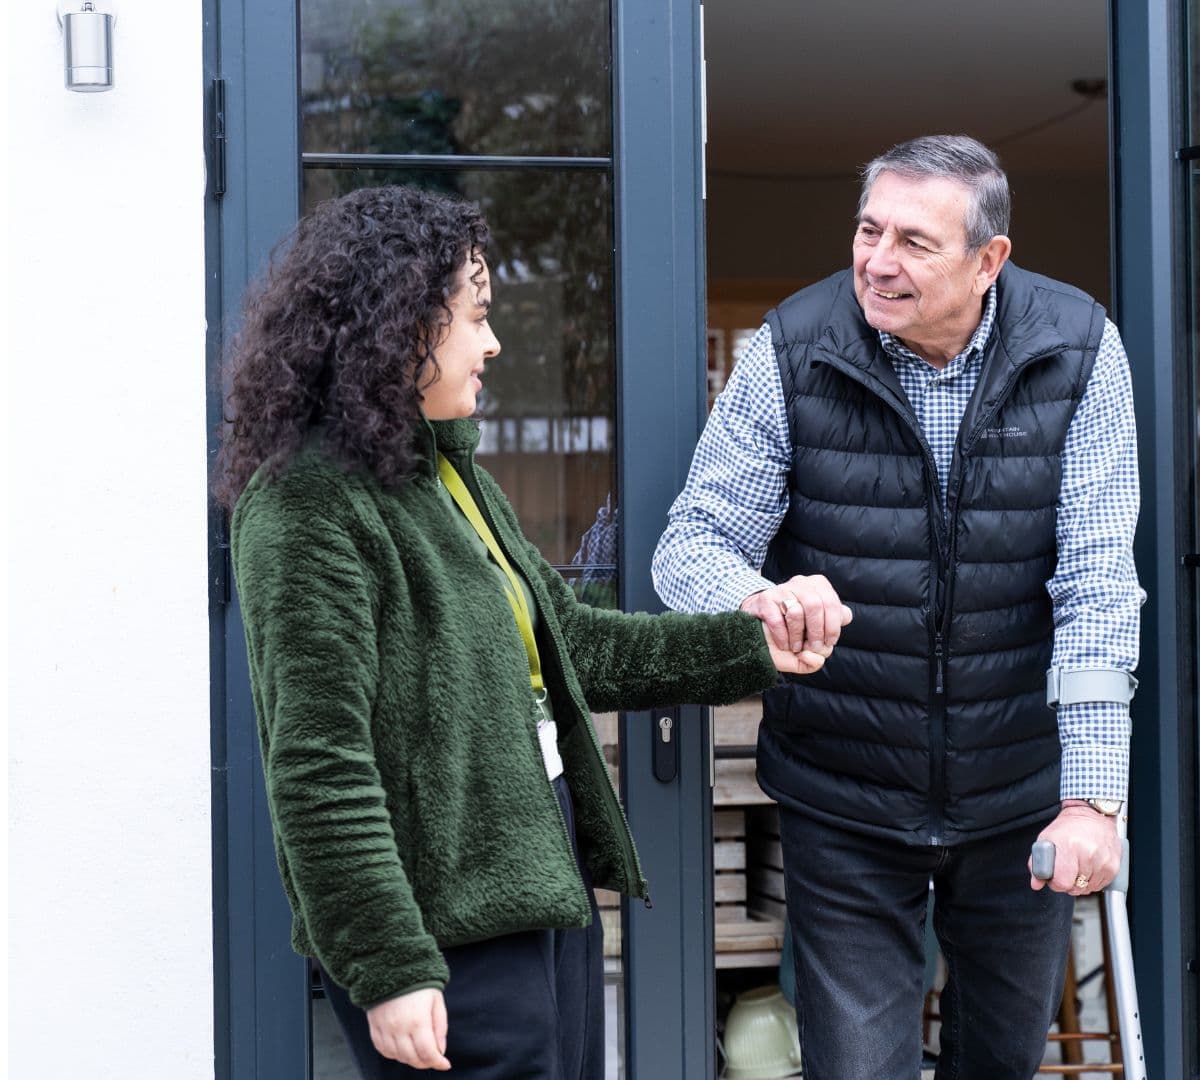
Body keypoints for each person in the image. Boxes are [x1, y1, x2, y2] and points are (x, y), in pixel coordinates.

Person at [213, 184, 821, 1080]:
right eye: (475, 316)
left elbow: (574, 646)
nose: (492, 342)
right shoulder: (305, 500)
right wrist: (388, 964)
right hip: (441, 928)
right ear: (398, 325)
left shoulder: (446, 474)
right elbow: (319, 764)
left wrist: (751, 645)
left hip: (540, 882)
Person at [652, 134, 1143, 1079]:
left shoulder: (1079, 348)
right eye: (868, 230)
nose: (878, 261)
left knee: (999, 1061)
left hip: (1018, 792)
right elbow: (691, 544)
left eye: (915, 242)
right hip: (845, 790)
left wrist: (1090, 799)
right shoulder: (792, 348)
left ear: (989, 260)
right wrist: (760, 596)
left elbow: (1096, 581)